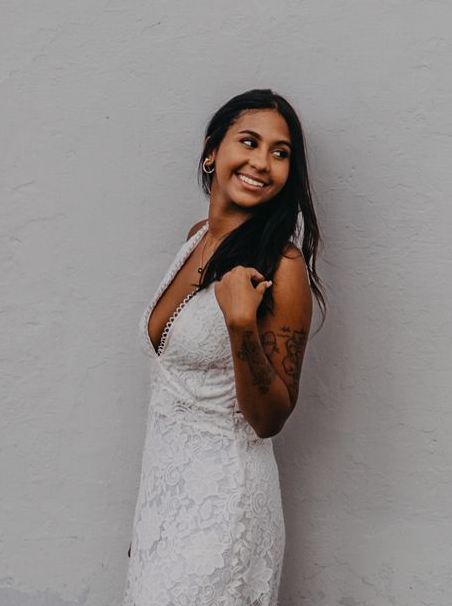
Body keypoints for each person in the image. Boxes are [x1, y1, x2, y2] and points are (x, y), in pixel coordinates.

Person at [123, 89, 324, 606]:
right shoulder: (195, 239)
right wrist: (152, 517)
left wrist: (240, 325)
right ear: (212, 151)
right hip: (164, 502)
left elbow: (270, 419)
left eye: (280, 153)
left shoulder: (282, 268)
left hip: (224, 506)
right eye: (250, 142)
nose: (262, 162)